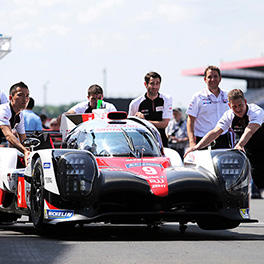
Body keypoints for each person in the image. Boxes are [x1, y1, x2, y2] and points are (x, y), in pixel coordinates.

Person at [184, 89, 264, 197]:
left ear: (245, 102)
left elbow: (249, 130)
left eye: (240, 105)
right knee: (257, 179)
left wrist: (239, 145)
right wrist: (197, 147)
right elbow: (215, 132)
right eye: (234, 107)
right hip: (248, 148)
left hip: (259, 144)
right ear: (229, 106)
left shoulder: (256, 111)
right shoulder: (229, 115)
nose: (238, 109)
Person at [186, 65, 230, 149]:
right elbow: (190, 120)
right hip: (202, 139)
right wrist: (191, 142)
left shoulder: (227, 95)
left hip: (223, 138)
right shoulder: (197, 96)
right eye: (209, 77)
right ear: (205, 80)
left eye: (215, 76)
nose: (213, 79)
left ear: (220, 78)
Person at [128, 71, 173, 147]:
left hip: (161, 142)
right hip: (143, 143)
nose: (155, 87)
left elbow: (164, 124)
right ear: (145, 84)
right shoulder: (135, 103)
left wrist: (143, 121)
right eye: (152, 84)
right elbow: (130, 126)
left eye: (157, 83)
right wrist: (137, 120)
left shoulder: (166, 99)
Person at [0, 82, 30, 165]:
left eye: (27, 96)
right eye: (20, 95)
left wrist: (29, 153)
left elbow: (23, 139)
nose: (25, 99)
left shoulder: (20, 115)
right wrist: (24, 151)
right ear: (11, 98)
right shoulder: (3, 110)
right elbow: (8, 135)